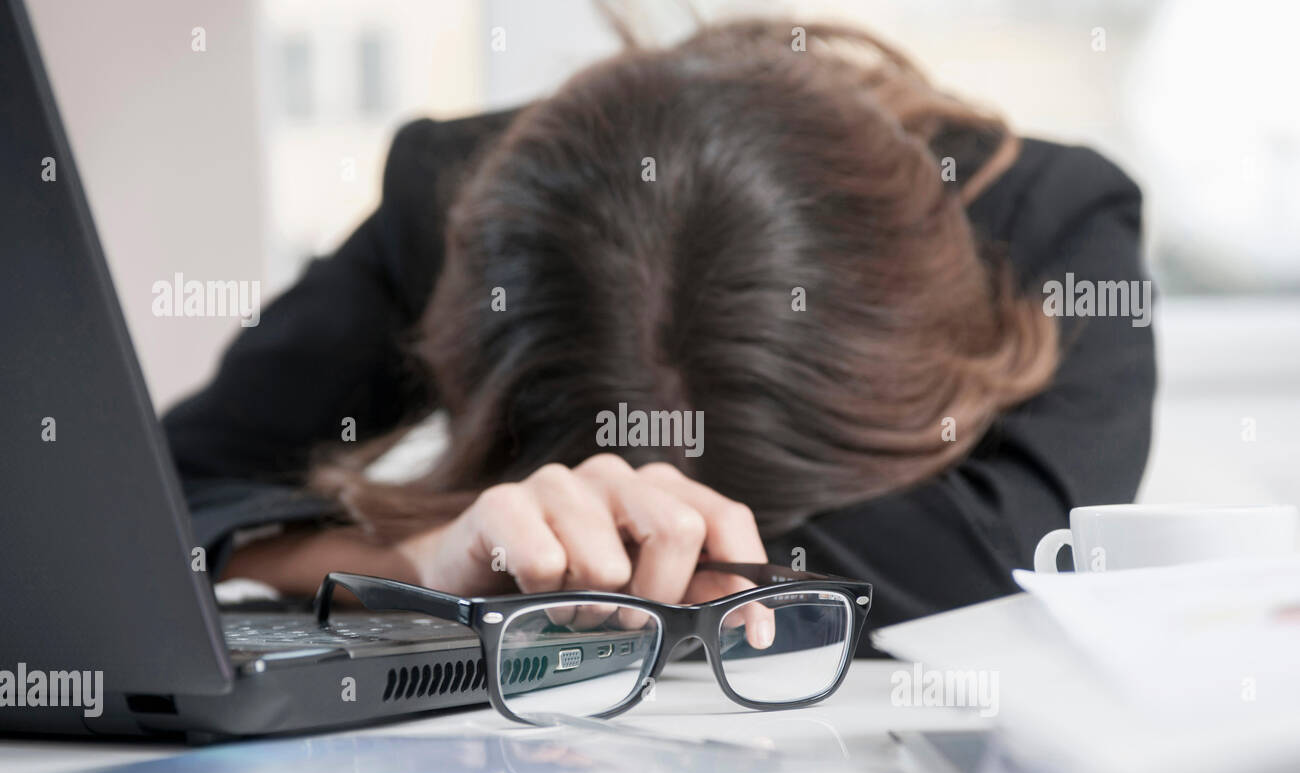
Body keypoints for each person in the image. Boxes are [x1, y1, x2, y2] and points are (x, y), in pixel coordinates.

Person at [163, 19, 1155, 652]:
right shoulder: (456, 201)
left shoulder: (1047, 223)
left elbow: (1016, 568)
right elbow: (161, 499)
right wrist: (423, 564)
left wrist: (599, 565)